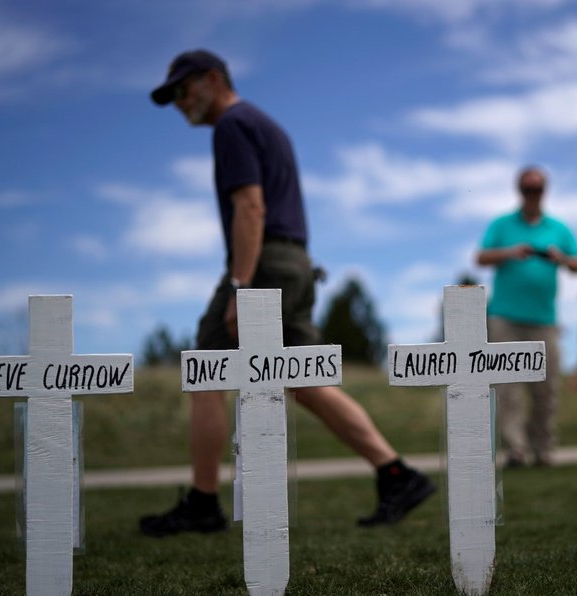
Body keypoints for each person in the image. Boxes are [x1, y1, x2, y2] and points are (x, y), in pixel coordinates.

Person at [140, 49, 434, 536]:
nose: (178, 101)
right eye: (172, 95)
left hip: (265, 263)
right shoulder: (265, 124)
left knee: (205, 371)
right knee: (303, 377)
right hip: (294, 262)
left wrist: (240, 285)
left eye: (183, 88)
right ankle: (396, 474)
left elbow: (250, 207)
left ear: (213, 79)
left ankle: (203, 501)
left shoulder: (233, 125)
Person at [476, 166, 577, 467]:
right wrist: (510, 252)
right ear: (519, 190)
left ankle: (543, 448)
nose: (532, 193)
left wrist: (558, 257)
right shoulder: (502, 225)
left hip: (544, 319)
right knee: (508, 388)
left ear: (544, 190)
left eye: (537, 188)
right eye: (527, 188)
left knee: (546, 388)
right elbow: (481, 256)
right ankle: (516, 450)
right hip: (505, 317)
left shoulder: (558, 228)